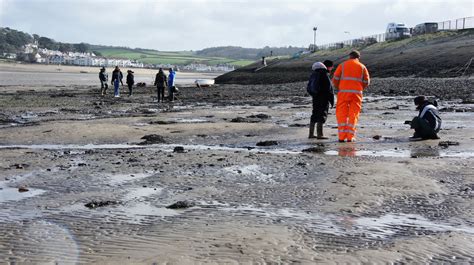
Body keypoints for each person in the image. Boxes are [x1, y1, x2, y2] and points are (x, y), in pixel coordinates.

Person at [332, 50, 370, 142]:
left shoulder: (343, 65)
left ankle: (341, 136)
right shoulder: (362, 66)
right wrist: (360, 88)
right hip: (356, 94)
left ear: (350, 56)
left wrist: (339, 87)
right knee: (354, 114)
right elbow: (367, 82)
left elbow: (335, 79)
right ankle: (350, 137)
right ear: (358, 57)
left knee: (341, 113)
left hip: (343, 93)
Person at [307, 60, 334, 139]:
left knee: (314, 114)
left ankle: (311, 134)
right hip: (323, 98)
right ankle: (320, 134)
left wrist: (314, 95)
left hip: (315, 97)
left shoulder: (313, 74)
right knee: (322, 115)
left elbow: (309, 87)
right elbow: (329, 88)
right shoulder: (324, 74)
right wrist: (331, 100)